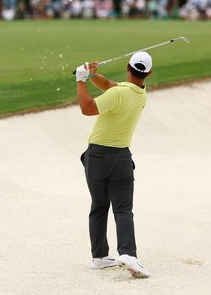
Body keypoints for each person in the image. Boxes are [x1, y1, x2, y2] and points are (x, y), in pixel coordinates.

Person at [75, 52, 153, 278]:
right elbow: (109, 85)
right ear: (148, 73)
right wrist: (93, 75)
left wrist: (80, 80)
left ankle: (99, 257)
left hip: (96, 157)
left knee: (99, 206)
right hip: (120, 159)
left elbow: (87, 108)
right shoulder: (141, 95)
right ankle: (127, 253)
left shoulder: (118, 93)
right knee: (123, 209)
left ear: (128, 67)